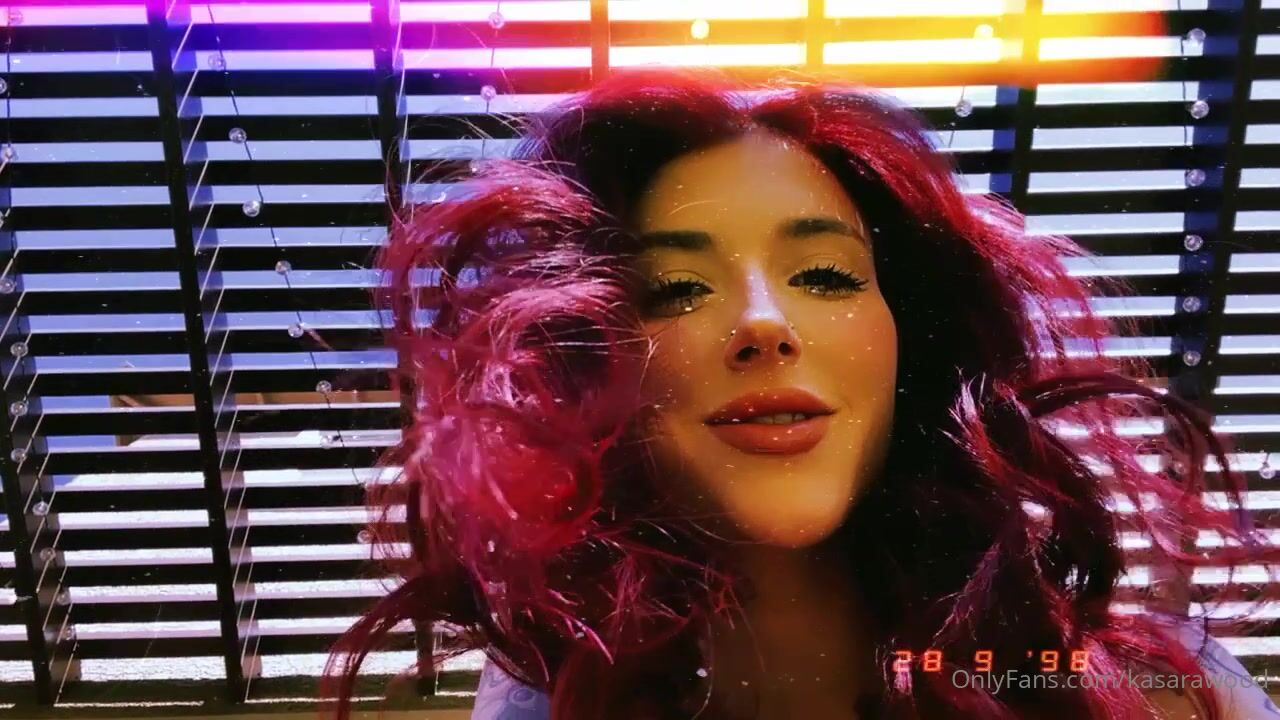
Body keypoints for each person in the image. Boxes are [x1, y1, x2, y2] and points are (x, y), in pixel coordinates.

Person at [323, 68, 1280, 719]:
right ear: (587, 366)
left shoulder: (1167, 691)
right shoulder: (551, 698)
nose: (761, 323)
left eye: (824, 275)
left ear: (913, 337)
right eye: (674, 290)